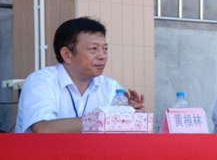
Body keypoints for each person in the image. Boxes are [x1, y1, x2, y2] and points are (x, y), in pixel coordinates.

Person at [15, 17, 145, 133]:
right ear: (67, 54)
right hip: (47, 153)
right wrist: (105, 117)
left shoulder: (110, 86)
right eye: (93, 49)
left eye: (105, 49)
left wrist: (132, 116)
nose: (102, 56)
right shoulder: (41, 81)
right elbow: (44, 129)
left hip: (93, 153)